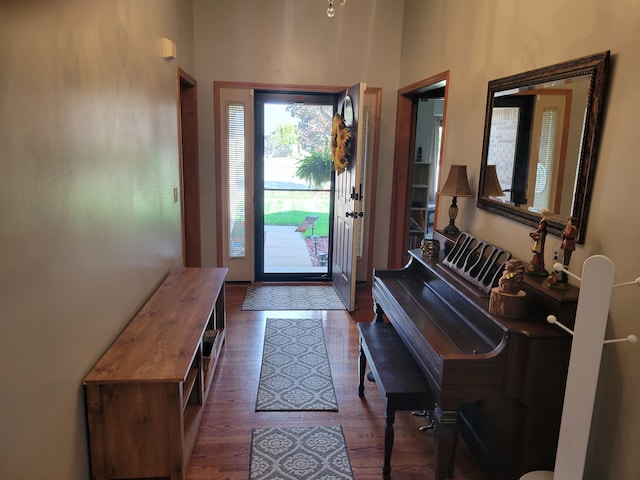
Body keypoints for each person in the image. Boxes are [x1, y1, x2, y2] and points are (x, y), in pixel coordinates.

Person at [526, 208, 549, 276]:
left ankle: (538, 267)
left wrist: (536, 232)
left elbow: (540, 229)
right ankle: (536, 266)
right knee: (537, 252)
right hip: (539, 237)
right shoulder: (543, 221)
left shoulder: (544, 222)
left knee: (538, 252)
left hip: (540, 238)